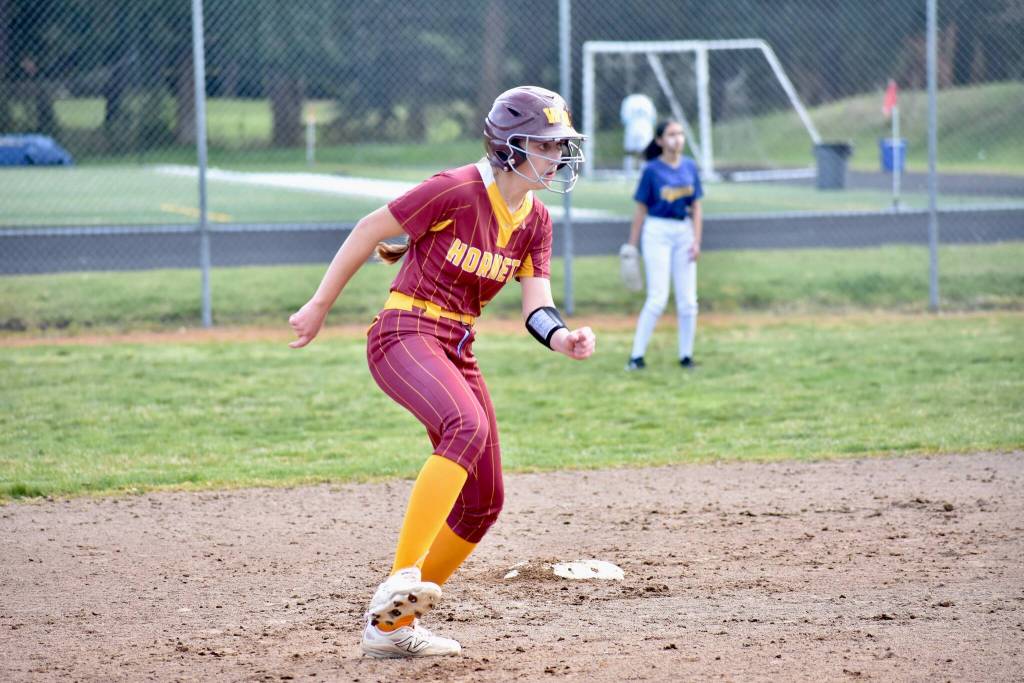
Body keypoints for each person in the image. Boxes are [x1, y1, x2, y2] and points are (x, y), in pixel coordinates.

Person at [288, 85, 596, 659]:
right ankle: (402, 576)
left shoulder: (536, 220)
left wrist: (563, 337)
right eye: (548, 144)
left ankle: (389, 628)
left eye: (562, 145)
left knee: (485, 500)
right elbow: (368, 230)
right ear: (509, 146)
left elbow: (537, 307)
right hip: (403, 332)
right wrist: (319, 305)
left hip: (456, 344)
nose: (559, 156)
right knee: (465, 425)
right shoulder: (454, 189)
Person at [622, 120, 704, 371]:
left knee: (689, 301)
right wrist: (632, 246)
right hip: (657, 230)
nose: (677, 138)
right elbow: (641, 209)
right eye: (671, 134)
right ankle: (636, 357)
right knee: (658, 297)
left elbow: (697, 206)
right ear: (659, 141)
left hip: (683, 231)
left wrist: (696, 240)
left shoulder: (690, 166)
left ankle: (686, 356)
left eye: (680, 133)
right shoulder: (652, 171)